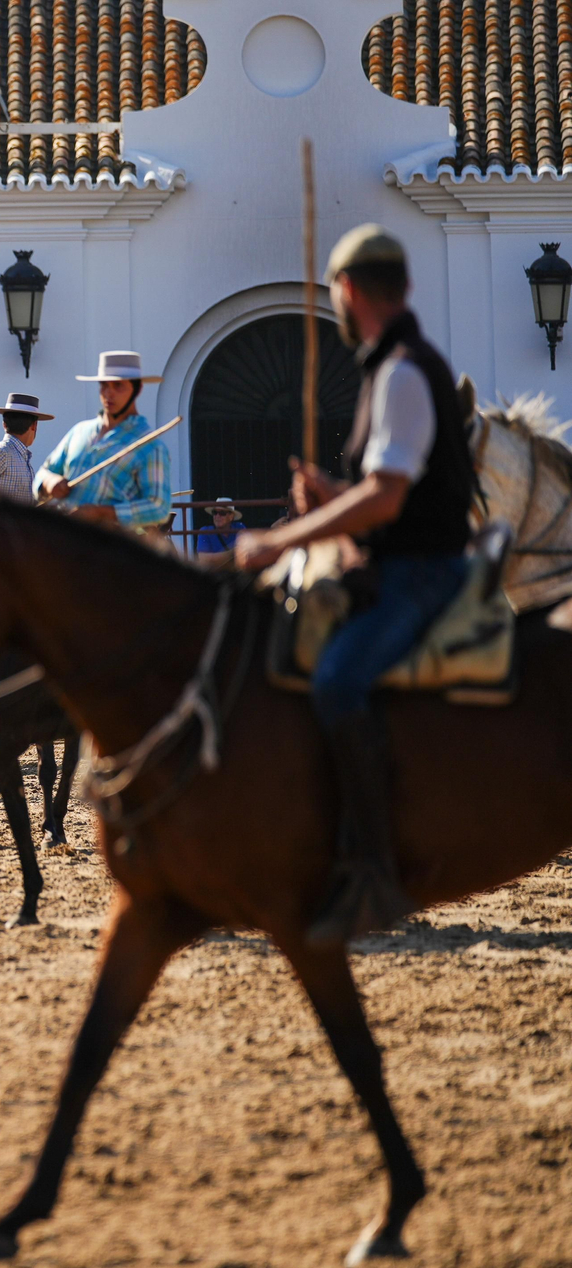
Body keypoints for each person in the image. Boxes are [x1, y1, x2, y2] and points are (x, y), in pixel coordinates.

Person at [236, 225, 475, 944]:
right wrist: (331, 492)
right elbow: (375, 489)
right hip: (396, 563)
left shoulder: (401, 371)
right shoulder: (392, 365)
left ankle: (375, 867)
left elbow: (389, 499)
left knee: (337, 680)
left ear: (346, 291)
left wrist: (281, 537)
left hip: (420, 574)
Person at [34, 352, 168, 532]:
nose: (108, 393)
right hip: (60, 543)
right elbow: (44, 472)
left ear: (137, 389)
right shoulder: (79, 431)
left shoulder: (150, 446)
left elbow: (158, 507)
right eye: (104, 385)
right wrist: (49, 482)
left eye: (118, 385)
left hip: (111, 550)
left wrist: (103, 513)